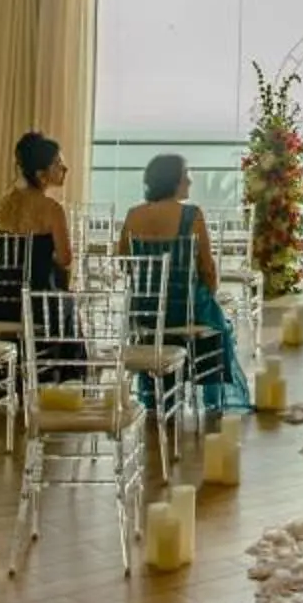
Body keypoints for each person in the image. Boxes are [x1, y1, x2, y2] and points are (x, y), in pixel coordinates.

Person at [121, 154, 246, 413]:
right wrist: (205, 297)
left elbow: (125, 264)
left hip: (145, 314)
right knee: (222, 326)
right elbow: (207, 268)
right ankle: (211, 396)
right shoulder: (192, 214)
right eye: (185, 174)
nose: (189, 180)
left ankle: (158, 391)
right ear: (174, 181)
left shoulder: (133, 215)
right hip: (184, 310)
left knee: (207, 314)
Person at [0, 131, 82, 380]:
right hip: (33, 303)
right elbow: (66, 258)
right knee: (69, 304)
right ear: (41, 174)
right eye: (58, 164)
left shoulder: (3, 203)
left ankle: (12, 373)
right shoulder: (51, 209)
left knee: (62, 299)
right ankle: (64, 379)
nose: (65, 168)